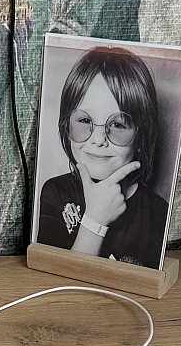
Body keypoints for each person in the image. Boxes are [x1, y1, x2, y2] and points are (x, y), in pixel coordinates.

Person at [35, 45, 168, 269]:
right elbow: (55, 278)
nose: (98, 140)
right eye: (85, 121)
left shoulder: (158, 213)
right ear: (66, 124)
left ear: (141, 136)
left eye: (117, 125)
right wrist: (94, 220)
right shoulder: (55, 193)